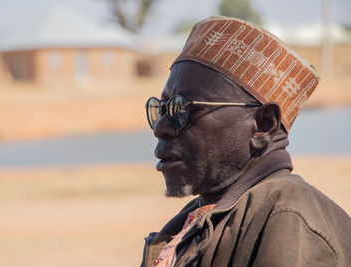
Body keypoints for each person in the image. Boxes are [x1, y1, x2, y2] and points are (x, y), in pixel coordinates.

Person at [141, 16, 351, 267]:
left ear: (263, 125)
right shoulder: (200, 218)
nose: (161, 128)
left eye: (182, 109)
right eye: (162, 109)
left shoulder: (289, 217)